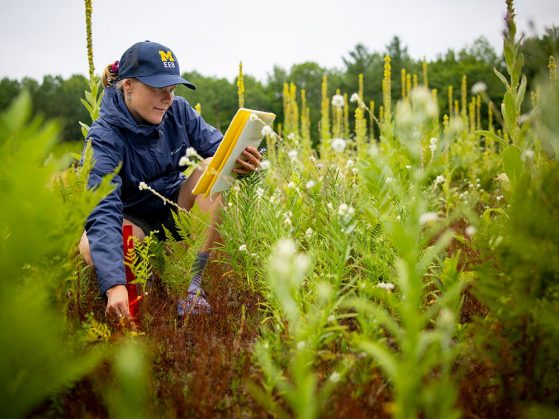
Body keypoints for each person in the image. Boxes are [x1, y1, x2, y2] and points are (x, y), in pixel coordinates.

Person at [78, 40, 261, 319]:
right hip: (131, 218)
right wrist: (115, 286)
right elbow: (102, 210)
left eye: (172, 90)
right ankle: (141, 276)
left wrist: (246, 159)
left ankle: (191, 288)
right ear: (128, 85)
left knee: (214, 166)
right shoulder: (103, 137)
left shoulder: (179, 111)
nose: (168, 99)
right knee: (89, 247)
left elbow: (219, 150)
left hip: (174, 206)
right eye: (157, 89)